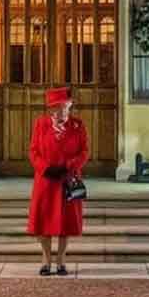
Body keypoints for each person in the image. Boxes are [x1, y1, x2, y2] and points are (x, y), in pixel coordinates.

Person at [26, 87, 89, 276]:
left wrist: (69, 166)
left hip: (68, 180)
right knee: (44, 221)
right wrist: (45, 168)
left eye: (64, 106)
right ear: (50, 109)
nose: (60, 111)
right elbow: (33, 151)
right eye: (55, 107)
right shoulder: (41, 124)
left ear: (70, 106)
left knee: (66, 222)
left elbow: (85, 151)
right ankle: (46, 260)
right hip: (46, 181)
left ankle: (61, 260)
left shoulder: (78, 125)